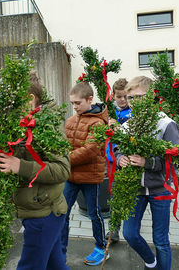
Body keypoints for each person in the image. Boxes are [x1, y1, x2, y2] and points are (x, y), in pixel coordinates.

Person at [0, 71, 70, 270]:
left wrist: (19, 166)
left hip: (44, 214)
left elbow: (62, 170)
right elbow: (9, 162)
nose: (3, 109)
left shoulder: (47, 125)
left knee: (29, 266)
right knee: (55, 265)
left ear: (29, 99)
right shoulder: (15, 124)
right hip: (35, 210)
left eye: (10, 103)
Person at [115, 76, 179, 270]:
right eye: (130, 98)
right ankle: (151, 262)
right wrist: (121, 159)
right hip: (135, 189)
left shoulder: (166, 124)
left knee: (160, 240)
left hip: (160, 189)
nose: (133, 102)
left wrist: (148, 162)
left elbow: (175, 159)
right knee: (130, 233)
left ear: (151, 97)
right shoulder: (128, 125)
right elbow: (118, 149)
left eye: (138, 97)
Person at [61, 82, 108, 266]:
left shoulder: (98, 123)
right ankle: (60, 249)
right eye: (72, 103)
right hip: (71, 177)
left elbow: (90, 150)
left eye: (78, 103)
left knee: (94, 213)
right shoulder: (71, 120)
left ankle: (101, 248)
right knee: (62, 213)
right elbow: (64, 145)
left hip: (90, 177)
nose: (74, 106)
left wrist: (64, 159)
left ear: (90, 100)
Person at [105, 78, 131, 242]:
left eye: (125, 96)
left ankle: (130, 224)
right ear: (113, 96)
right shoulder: (109, 112)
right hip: (112, 159)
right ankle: (114, 230)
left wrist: (119, 129)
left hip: (128, 159)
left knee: (127, 195)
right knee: (114, 194)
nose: (122, 100)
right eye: (119, 96)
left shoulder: (133, 112)